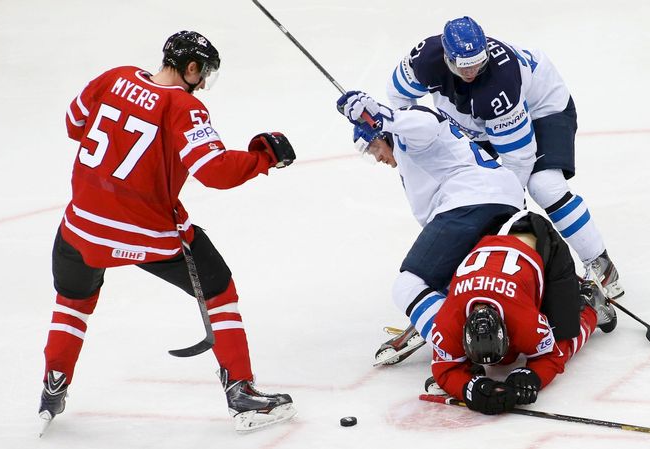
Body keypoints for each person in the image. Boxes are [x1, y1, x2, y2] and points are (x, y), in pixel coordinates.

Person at [39, 30, 297, 433]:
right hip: (145, 231)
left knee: (73, 301)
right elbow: (214, 170)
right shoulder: (183, 106)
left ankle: (53, 384)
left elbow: (74, 125)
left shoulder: (115, 76)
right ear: (190, 67)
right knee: (218, 289)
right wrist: (263, 157)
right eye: (204, 72)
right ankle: (241, 392)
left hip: (81, 227)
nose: (204, 83)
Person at [386, 16, 623, 301]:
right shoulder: (425, 60)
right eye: (464, 66)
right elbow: (398, 101)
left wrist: (509, 208)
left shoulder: (499, 84)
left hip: (542, 108)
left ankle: (600, 264)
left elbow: (519, 158)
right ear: (447, 58)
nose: (472, 70)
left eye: (477, 62)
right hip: (479, 120)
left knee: (544, 185)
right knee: (466, 194)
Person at [335, 91, 525, 366]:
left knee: (409, 286)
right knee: (458, 281)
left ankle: (457, 352)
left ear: (383, 135)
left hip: (470, 203)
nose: (376, 158)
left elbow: (425, 123)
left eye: (374, 148)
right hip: (505, 203)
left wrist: (381, 117)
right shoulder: (413, 155)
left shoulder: (408, 135)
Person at [425, 210, 617, 415]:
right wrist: (470, 389)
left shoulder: (523, 320)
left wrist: (531, 376)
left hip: (541, 244)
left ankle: (592, 305)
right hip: (495, 242)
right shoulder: (448, 321)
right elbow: (443, 370)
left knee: (564, 334)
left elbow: (554, 355)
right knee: (506, 354)